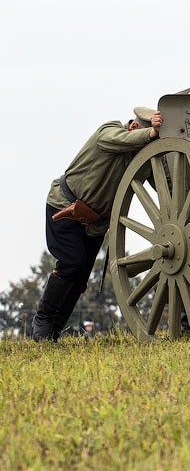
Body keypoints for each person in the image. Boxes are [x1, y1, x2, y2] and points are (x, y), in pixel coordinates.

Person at [32, 106, 164, 341]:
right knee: (72, 263)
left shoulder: (140, 156)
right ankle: (42, 320)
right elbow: (120, 139)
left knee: (81, 277)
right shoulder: (108, 131)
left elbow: (162, 181)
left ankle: (52, 331)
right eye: (145, 136)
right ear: (134, 126)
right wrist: (151, 134)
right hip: (66, 207)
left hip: (95, 223)